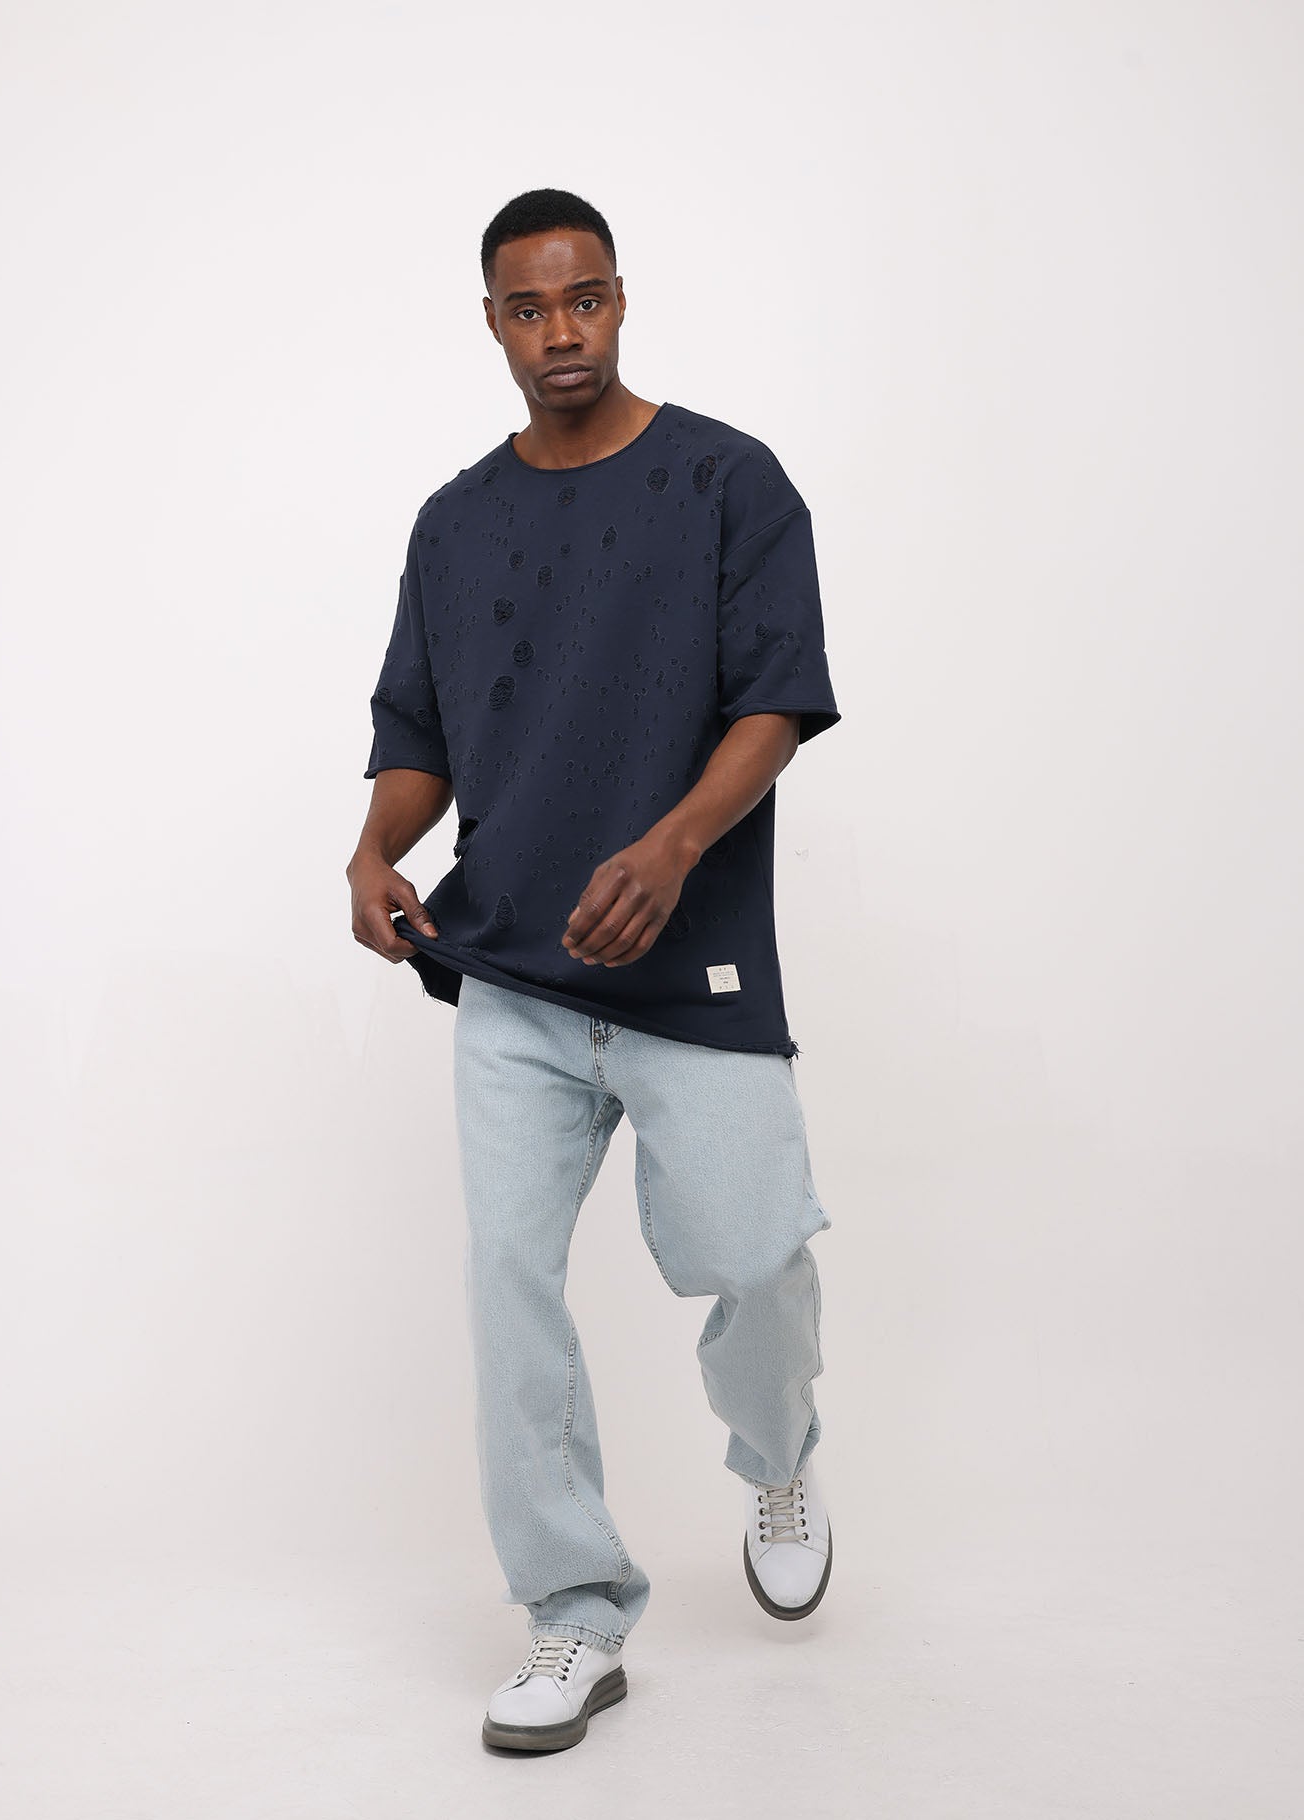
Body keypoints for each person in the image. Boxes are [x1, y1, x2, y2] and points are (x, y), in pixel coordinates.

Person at [347, 188, 842, 1754]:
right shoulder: (453, 521)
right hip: (514, 973)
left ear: (619, 300)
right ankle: (573, 1615)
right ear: (492, 323)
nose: (560, 332)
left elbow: (773, 702)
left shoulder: (726, 480)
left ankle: (777, 1459)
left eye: (584, 300)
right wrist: (373, 850)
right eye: (528, 307)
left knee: (754, 1258)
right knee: (508, 1289)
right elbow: (419, 732)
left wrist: (675, 846)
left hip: (690, 969)